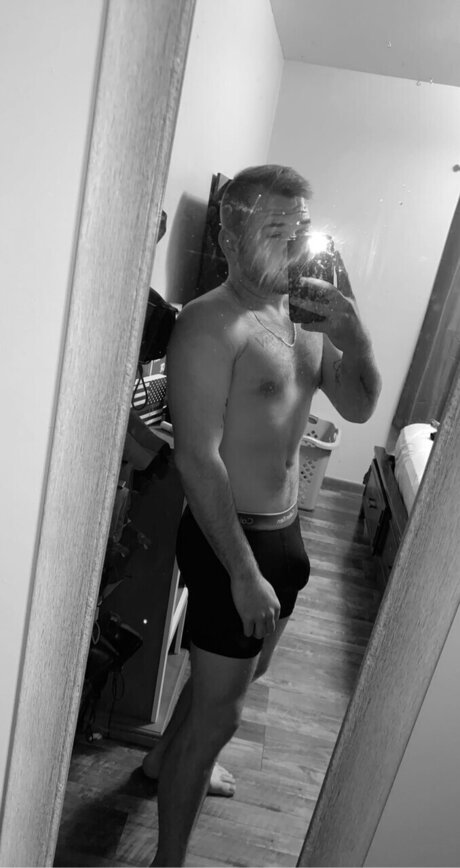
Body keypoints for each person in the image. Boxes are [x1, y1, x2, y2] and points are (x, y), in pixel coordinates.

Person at [143, 164, 382, 866]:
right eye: (277, 228)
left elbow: (358, 404)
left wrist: (355, 332)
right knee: (222, 717)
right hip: (230, 544)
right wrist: (244, 575)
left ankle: (162, 761)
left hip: (285, 533)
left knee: (239, 677)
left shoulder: (304, 317)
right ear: (230, 235)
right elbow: (197, 460)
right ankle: (167, 858)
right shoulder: (210, 324)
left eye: (301, 229)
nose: (295, 243)